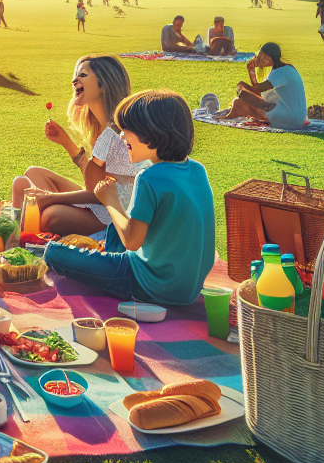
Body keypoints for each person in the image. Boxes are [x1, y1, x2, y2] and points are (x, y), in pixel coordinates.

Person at [45, 90, 215, 306]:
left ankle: (104, 261)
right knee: (113, 230)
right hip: (187, 288)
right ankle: (106, 254)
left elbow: (132, 242)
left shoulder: (149, 177)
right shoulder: (197, 170)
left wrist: (110, 199)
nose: (122, 136)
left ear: (152, 134)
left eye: (127, 130)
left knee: (55, 253)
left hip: (148, 284)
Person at [11, 55, 140, 235]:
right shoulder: (100, 128)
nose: (74, 80)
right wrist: (65, 142)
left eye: (83, 75)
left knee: (51, 216)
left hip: (113, 213)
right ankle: (26, 228)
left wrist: (49, 199)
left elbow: (99, 193)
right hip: (99, 201)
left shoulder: (117, 132)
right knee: (30, 175)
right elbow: (94, 183)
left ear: (103, 85)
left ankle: (26, 230)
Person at [213, 42, 307, 128]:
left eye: (259, 56)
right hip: (296, 118)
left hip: (289, 120)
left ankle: (230, 117)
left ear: (266, 58)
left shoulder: (278, 73)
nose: (256, 59)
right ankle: (237, 115)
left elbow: (256, 91)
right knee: (243, 98)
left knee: (240, 99)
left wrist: (251, 72)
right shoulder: (286, 69)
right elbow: (259, 94)